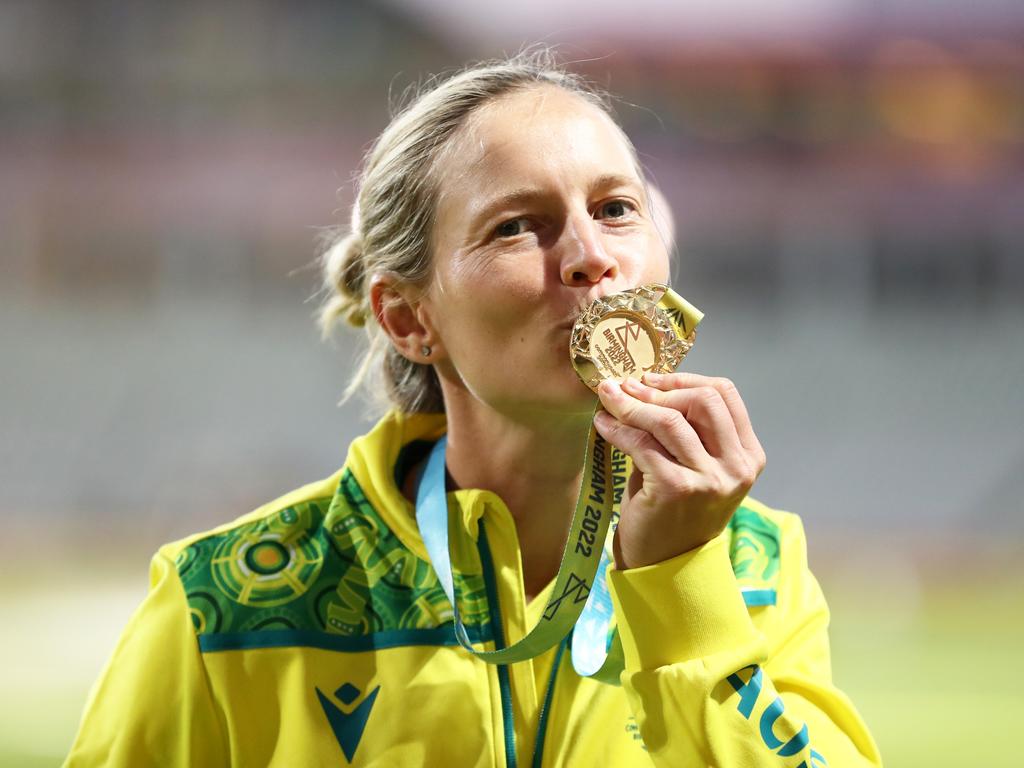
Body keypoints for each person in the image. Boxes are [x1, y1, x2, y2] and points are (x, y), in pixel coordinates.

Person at [65, 52, 882, 767]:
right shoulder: (224, 606)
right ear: (408, 320)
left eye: (615, 209)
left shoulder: (756, 567)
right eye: (517, 227)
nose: (591, 258)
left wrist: (683, 592)